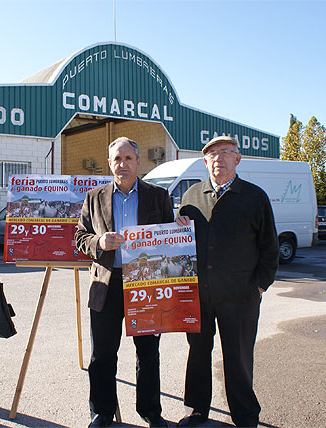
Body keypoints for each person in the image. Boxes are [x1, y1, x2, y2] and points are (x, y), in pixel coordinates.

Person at [174, 136, 279, 427]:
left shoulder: (254, 197)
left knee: (238, 357)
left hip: (240, 296)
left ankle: (245, 415)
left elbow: (270, 247)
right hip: (199, 293)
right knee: (197, 353)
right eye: (212, 154)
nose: (218, 158)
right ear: (205, 161)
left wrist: (259, 286)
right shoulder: (192, 196)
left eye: (225, 152)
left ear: (237, 159)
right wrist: (177, 224)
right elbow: (180, 242)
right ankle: (196, 409)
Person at [75, 137, 173, 428]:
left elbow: (169, 238)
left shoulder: (158, 196)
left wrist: (180, 227)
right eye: (117, 159)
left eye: (128, 158)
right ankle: (102, 412)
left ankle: (150, 411)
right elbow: (80, 237)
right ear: (109, 164)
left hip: (145, 285)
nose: (122, 164)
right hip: (106, 286)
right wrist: (99, 241)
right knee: (102, 355)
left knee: (147, 353)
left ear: (138, 162)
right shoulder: (94, 197)